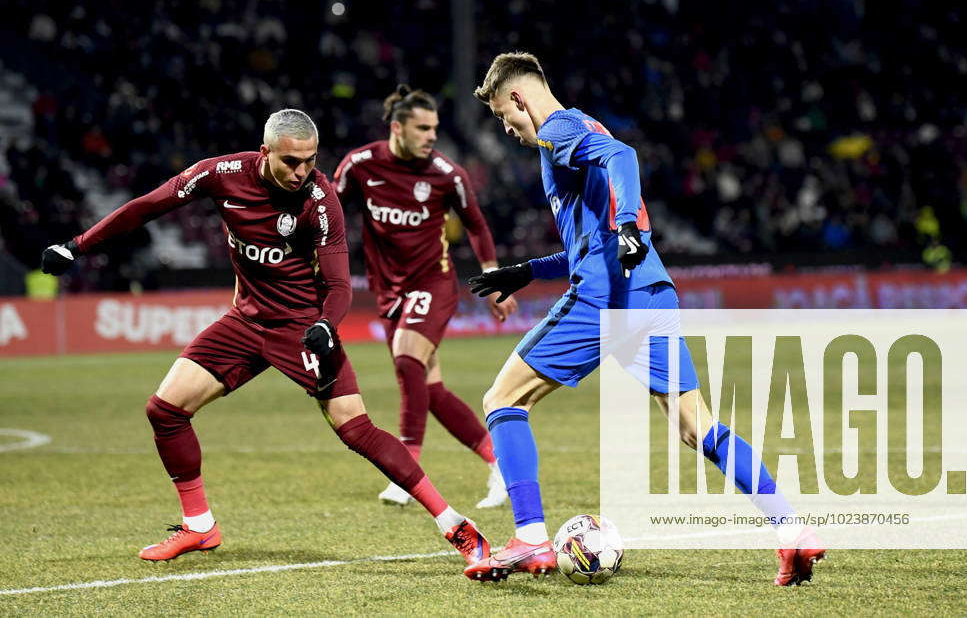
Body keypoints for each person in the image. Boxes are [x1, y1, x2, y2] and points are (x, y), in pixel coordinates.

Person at [40, 109, 490, 566]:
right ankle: (199, 526)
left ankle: (454, 523)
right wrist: (77, 245)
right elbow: (149, 205)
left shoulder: (320, 198)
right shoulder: (222, 173)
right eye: (291, 162)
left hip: (302, 328)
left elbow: (337, 285)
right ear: (265, 152)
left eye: (309, 161)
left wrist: (324, 326)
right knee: (165, 410)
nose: (301, 172)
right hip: (244, 322)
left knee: (356, 429)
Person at [462, 52, 825, 585]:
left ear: (517, 97)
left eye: (501, 115)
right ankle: (792, 531)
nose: (507, 128)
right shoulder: (578, 131)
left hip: (606, 299)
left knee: (502, 401)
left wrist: (628, 220)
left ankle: (531, 539)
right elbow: (592, 240)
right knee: (695, 426)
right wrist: (526, 271)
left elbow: (624, 158)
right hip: (648, 292)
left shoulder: (558, 129)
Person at [333, 85, 515, 509]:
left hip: (434, 283)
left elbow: (477, 225)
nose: (432, 135)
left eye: (434, 128)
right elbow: (327, 207)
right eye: (422, 128)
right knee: (429, 390)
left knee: (407, 359)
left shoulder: (447, 174)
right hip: (388, 290)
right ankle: (500, 464)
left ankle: (405, 470)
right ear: (397, 128)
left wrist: (493, 278)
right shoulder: (361, 165)